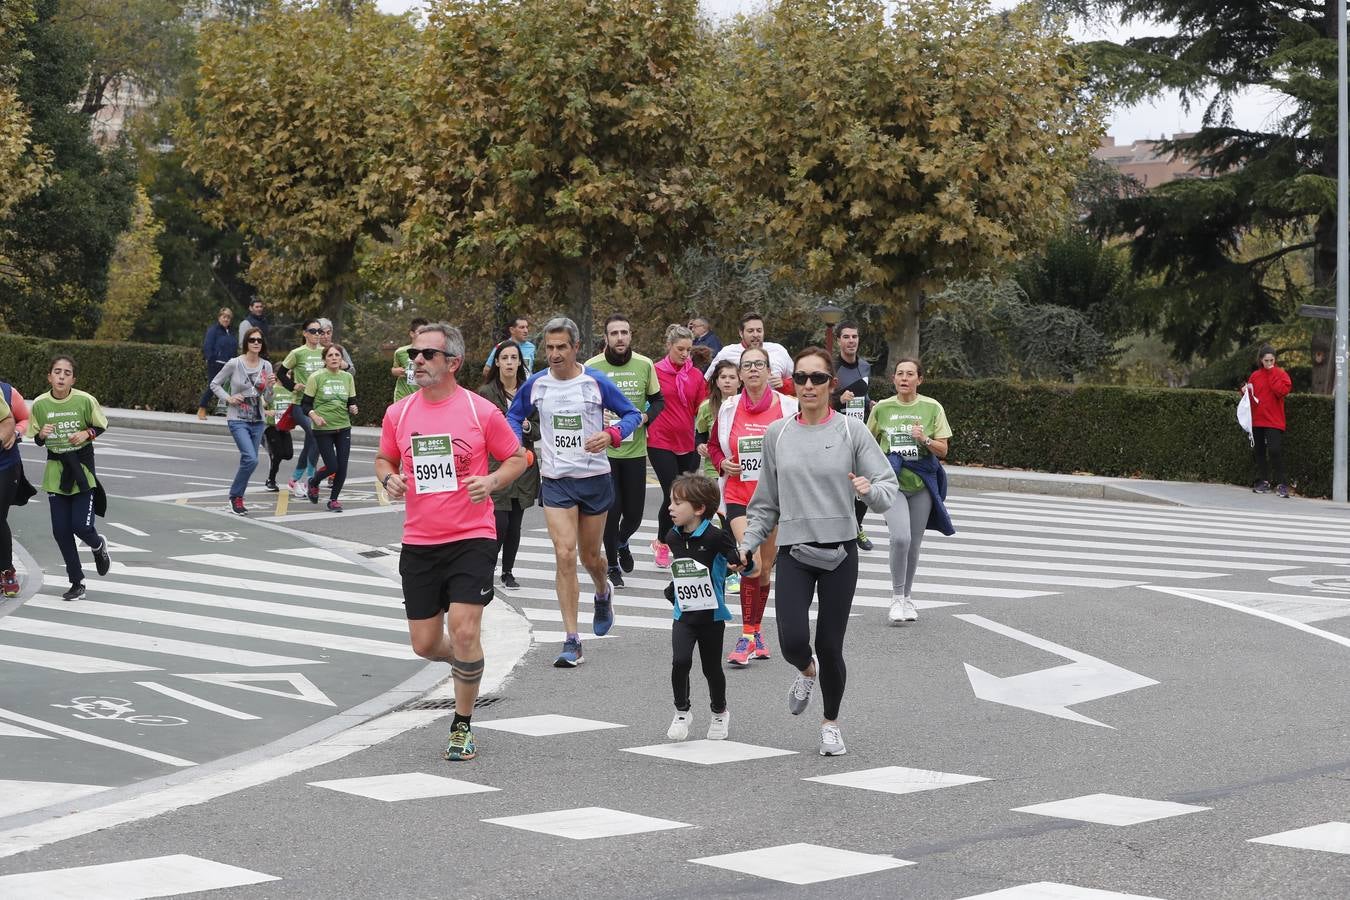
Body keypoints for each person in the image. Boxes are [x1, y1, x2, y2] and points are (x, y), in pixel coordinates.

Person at [375, 323, 526, 762]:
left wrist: (492, 481)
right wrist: (389, 478)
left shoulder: (481, 412)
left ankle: (462, 725)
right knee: (424, 644)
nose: (416, 361)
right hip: (420, 540)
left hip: (472, 536)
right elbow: (384, 456)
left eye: (426, 354)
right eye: (413, 354)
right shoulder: (398, 413)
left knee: (463, 630)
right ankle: (468, 661)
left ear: (452, 363)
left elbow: (517, 457)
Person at [740, 347, 898, 756]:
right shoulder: (778, 433)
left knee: (830, 644)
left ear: (832, 384)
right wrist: (749, 543)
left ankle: (830, 723)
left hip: (840, 553)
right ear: (793, 383)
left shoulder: (851, 431)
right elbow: (764, 503)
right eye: (802, 378)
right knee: (793, 640)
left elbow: (887, 487)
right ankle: (805, 672)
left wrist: (869, 491)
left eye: (818, 378)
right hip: (794, 549)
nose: (809, 385)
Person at [506, 317, 641, 668]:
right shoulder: (536, 385)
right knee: (564, 554)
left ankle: (602, 591)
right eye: (549, 348)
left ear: (575, 347)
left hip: (595, 480)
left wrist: (611, 436)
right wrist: (515, 446)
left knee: (590, 557)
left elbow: (632, 414)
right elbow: (511, 416)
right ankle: (571, 639)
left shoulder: (595, 382)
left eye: (561, 347)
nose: (554, 354)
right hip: (556, 481)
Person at [707, 346, 798, 666]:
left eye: (760, 364)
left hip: (774, 500)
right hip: (738, 497)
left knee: (764, 570)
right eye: (749, 366)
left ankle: (756, 631)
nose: (755, 370)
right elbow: (714, 446)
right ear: (741, 373)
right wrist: (723, 464)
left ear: (768, 370)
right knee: (752, 562)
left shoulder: (788, 407)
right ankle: (745, 637)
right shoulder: (730, 408)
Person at [867, 357, 954, 623]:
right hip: (892, 483)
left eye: (910, 374)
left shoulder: (931, 407)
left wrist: (924, 439)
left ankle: (907, 598)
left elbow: (943, 449)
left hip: (921, 483)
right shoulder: (882, 409)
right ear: (893, 379)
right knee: (900, 538)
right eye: (900, 374)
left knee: (914, 543)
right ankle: (895, 597)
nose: (904, 378)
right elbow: (866, 444)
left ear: (920, 379)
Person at [663, 473, 743, 742]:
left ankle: (720, 712)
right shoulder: (672, 537)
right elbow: (681, 569)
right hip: (683, 614)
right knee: (680, 661)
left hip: (711, 616)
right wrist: (673, 589)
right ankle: (682, 712)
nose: (670, 507)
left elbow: (739, 562)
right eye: (670, 502)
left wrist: (741, 561)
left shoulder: (716, 537)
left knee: (711, 668)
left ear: (698, 509)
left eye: (677, 503)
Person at [586, 314, 663, 584]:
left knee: (634, 514)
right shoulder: (592, 367)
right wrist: (598, 418)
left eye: (625, 332)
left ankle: (621, 541)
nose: (620, 337)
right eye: (614, 333)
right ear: (606, 337)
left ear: (631, 335)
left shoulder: (644, 364)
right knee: (612, 510)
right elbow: (582, 404)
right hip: (604, 453)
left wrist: (644, 417)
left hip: (635, 451)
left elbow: (657, 401)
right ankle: (613, 567)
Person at [28, 356, 113, 602]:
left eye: (67, 372)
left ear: (73, 379)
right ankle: (77, 582)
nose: (62, 376)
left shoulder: (85, 400)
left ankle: (98, 546)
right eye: (57, 371)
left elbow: (102, 425)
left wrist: (87, 432)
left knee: (82, 526)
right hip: (55, 471)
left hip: (81, 469)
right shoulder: (41, 404)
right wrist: (41, 436)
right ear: (49, 376)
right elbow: (36, 437)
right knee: (61, 531)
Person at [478, 339, 540, 590]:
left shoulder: (530, 391)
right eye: (504, 358)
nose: (509, 363)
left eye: (514, 358)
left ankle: (508, 572)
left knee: (515, 524)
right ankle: (486, 568)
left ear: (520, 363)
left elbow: (537, 430)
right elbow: (478, 430)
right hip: (496, 465)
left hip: (524, 464)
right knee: (499, 522)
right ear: (497, 362)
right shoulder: (486, 393)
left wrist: (525, 425)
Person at [649, 324, 707, 572]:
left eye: (688, 350)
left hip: (687, 441)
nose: (685, 354)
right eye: (680, 349)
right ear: (669, 346)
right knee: (672, 494)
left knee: (688, 496)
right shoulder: (654, 371)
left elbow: (701, 408)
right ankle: (663, 542)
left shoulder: (695, 375)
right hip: (660, 440)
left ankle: (682, 542)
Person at [211, 327, 276, 515]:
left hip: (258, 420)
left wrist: (271, 387)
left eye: (259, 340)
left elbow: (269, 398)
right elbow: (214, 383)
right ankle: (235, 496)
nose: (256, 343)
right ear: (246, 343)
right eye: (252, 340)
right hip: (237, 418)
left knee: (248, 460)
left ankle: (237, 497)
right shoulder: (235, 363)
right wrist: (228, 398)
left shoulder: (267, 365)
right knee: (251, 459)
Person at [831, 321, 875, 551]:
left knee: (864, 481)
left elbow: (864, 396)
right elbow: (817, 400)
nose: (851, 341)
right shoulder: (830, 367)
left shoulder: (865, 367)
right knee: (839, 482)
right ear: (838, 340)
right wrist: (839, 400)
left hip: (860, 430)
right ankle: (839, 527)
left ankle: (857, 525)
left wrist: (871, 404)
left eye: (854, 337)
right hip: (835, 431)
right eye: (846, 337)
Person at [302, 344, 358, 512]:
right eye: (330, 355)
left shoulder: (347, 377)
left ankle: (333, 500)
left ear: (341, 359)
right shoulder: (316, 377)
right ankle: (314, 481)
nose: (334, 358)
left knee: (342, 466)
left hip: (343, 427)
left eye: (337, 355)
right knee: (332, 466)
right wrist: (315, 417)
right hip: (323, 428)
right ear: (324, 359)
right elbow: (305, 404)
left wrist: (353, 408)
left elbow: (351, 401)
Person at [277, 319, 327, 497]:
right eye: (312, 331)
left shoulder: (325, 352)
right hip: (300, 405)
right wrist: (293, 386)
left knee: (312, 443)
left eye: (319, 331)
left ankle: (294, 480)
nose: (316, 334)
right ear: (304, 333)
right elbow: (280, 373)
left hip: (320, 405)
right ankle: (311, 479)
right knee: (315, 434)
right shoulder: (297, 353)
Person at [705, 312, 795, 395]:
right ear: (741, 333)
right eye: (750, 331)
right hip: (739, 407)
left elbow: (797, 381)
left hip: (775, 407)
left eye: (759, 330)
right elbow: (707, 383)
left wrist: (784, 385)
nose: (755, 335)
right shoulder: (727, 353)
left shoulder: (778, 350)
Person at [1246, 344, 1293, 498]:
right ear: (1261, 360)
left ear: (1275, 360)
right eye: (1266, 361)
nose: (1269, 363)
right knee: (1259, 451)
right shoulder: (1255, 375)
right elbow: (1250, 396)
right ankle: (1264, 481)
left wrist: (1272, 373)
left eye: (1271, 360)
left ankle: (1282, 484)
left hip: (1274, 420)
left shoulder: (1281, 374)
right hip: (1258, 420)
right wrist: (1244, 391)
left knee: (1274, 450)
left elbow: (1282, 391)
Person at [0, 380, 30, 598]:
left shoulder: (8, 392)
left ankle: (7, 571)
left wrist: (16, 433)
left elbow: (25, 419)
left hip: (6, 465)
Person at [196, 307, 236, 420]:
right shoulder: (213, 330)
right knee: (213, 386)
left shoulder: (231, 332)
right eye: (224, 317)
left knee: (232, 387)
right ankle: (202, 408)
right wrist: (211, 359)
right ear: (219, 317)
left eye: (228, 317)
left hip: (229, 364)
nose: (226, 319)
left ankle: (232, 411)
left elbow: (233, 347)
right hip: (216, 363)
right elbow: (207, 346)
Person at [391, 317, 431, 402]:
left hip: (423, 396)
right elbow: (394, 369)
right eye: (420, 333)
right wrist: (396, 371)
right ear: (412, 334)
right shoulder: (400, 352)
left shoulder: (431, 352)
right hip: (403, 395)